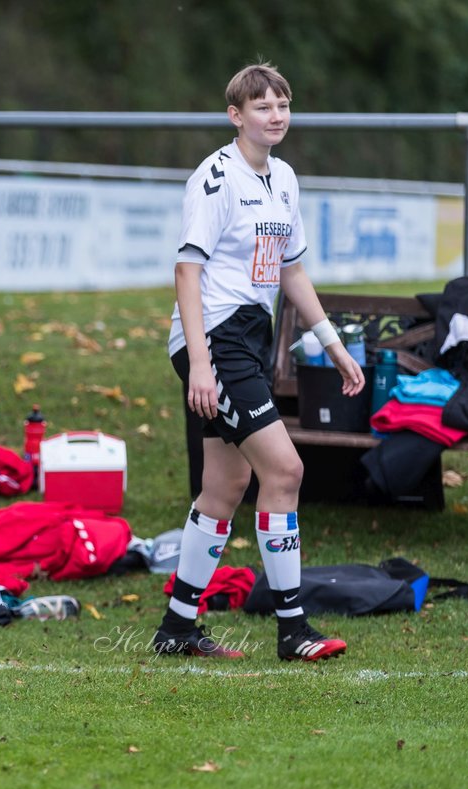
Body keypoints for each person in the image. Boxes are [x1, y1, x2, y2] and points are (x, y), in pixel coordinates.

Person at [152, 63, 364, 662]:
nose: (276, 115)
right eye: (263, 106)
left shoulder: (285, 179)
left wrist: (334, 346)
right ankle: (293, 630)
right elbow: (186, 270)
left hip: (249, 336)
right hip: (214, 338)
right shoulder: (216, 177)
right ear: (236, 116)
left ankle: (177, 628)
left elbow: (291, 270)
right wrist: (199, 361)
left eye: (283, 104)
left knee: (226, 484)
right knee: (286, 471)